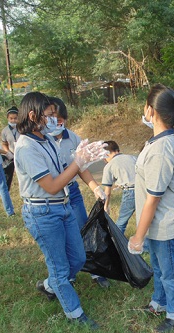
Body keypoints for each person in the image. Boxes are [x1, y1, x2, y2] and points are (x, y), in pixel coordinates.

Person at [13, 92, 108, 329]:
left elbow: (67, 171)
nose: (53, 120)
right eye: (49, 115)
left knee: (78, 257)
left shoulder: (45, 141)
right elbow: (53, 185)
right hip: (43, 214)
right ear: (33, 116)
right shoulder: (26, 147)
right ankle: (76, 315)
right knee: (61, 268)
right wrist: (78, 161)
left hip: (63, 207)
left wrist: (81, 160)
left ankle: (49, 285)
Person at [128, 84, 174, 333]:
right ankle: (159, 302)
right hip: (157, 222)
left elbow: (153, 199)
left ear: (151, 110)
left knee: (169, 271)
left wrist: (137, 237)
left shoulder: (162, 148)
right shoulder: (161, 140)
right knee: (158, 266)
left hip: (165, 222)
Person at [48, 97, 111, 289]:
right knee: (61, 238)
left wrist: (95, 187)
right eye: (53, 118)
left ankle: (94, 270)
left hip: (72, 193)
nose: (57, 124)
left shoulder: (73, 138)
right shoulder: (42, 141)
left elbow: (80, 167)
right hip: (52, 196)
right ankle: (69, 274)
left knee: (83, 231)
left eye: (60, 120)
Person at [101, 140, 137, 234]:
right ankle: (145, 246)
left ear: (106, 154)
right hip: (144, 190)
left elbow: (107, 192)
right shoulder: (132, 157)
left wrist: (106, 206)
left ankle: (116, 243)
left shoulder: (109, 166)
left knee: (121, 221)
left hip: (130, 192)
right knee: (146, 220)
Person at [0, 106, 19, 191]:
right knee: (8, 174)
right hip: (11, 155)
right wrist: (8, 152)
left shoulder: (23, 129)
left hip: (22, 154)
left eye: (15, 118)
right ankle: (5, 190)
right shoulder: (5, 131)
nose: (13, 120)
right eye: (11, 118)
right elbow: (4, 143)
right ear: (7, 118)